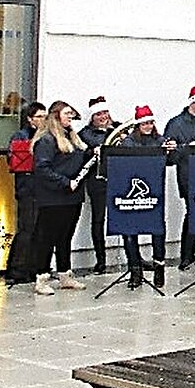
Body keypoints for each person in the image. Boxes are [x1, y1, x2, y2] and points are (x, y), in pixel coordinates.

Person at [30, 101, 88, 295]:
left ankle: (65, 274)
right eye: (67, 114)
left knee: (65, 237)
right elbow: (42, 169)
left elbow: (78, 160)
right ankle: (42, 277)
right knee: (47, 238)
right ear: (56, 116)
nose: (70, 117)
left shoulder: (72, 138)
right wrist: (65, 182)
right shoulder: (46, 140)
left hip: (72, 197)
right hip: (53, 198)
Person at [162, 85, 195, 269]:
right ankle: (186, 255)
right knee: (192, 212)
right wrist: (187, 148)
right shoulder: (176, 123)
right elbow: (169, 153)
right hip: (187, 174)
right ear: (192, 102)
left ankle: (191, 254)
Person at [119, 106, 167, 289]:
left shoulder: (160, 140)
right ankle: (135, 270)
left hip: (155, 192)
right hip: (133, 192)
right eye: (144, 123)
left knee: (157, 229)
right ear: (138, 125)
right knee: (130, 231)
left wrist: (171, 151)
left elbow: (170, 162)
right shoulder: (129, 142)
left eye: (150, 123)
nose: (148, 126)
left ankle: (159, 265)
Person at [5, 102, 46, 283]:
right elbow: (13, 160)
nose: (43, 121)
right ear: (30, 119)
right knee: (26, 229)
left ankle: (34, 268)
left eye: (45, 117)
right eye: (39, 117)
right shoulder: (21, 136)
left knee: (39, 230)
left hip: (42, 189)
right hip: (27, 189)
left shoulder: (47, 136)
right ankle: (16, 269)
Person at [78, 96, 120, 274]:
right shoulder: (85, 134)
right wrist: (91, 152)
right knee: (98, 219)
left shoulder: (118, 129)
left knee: (126, 217)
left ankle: (135, 258)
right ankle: (100, 260)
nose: (103, 116)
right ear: (92, 117)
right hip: (97, 181)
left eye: (105, 112)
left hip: (119, 179)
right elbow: (80, 156)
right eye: (99, 114)